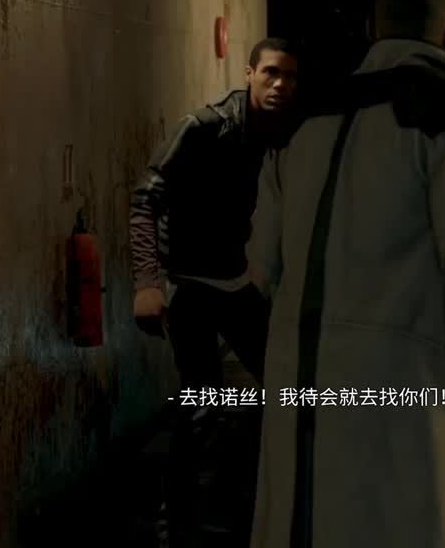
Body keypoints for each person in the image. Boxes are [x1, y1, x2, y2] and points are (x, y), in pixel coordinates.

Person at [245, 0, 445, 548]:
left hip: (302, 390)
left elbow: (262, 269)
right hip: (410, 393)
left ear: (371, 27)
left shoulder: (305, 117)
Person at [128, 37, 299, 546]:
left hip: (236, 280)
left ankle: (263, 509)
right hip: (193, 287)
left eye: (289, 76)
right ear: (249, 73)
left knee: (290, 385)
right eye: (270, 72)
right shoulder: (204, 127)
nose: (279, 84)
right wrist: (146, 283)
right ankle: (176, 525)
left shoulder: (283, 133)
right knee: (203, 406)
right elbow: (145, 199)